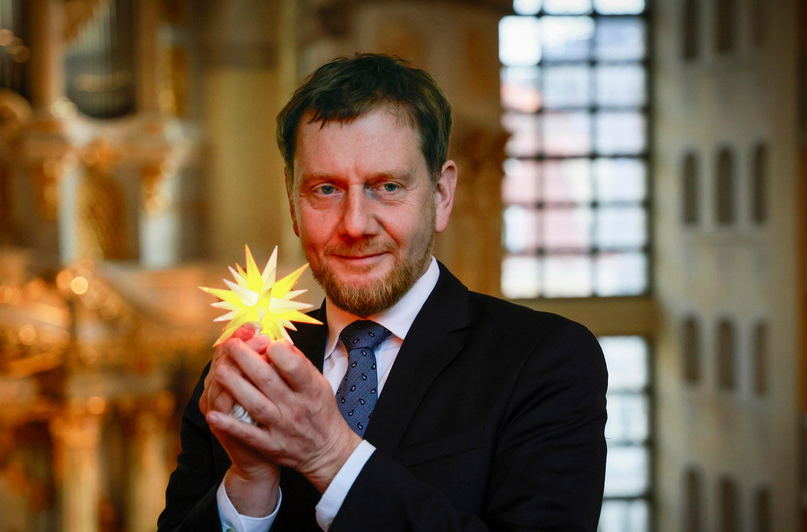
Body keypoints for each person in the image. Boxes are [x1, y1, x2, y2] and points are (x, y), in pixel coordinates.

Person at [158, 53, 608, 532]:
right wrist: (248, 483)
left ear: (441, 195)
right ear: (293, 203)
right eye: (326, 189)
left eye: (387, 186)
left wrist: (330, 455)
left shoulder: (546, 360)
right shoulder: (243, 376)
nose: (354, 225)